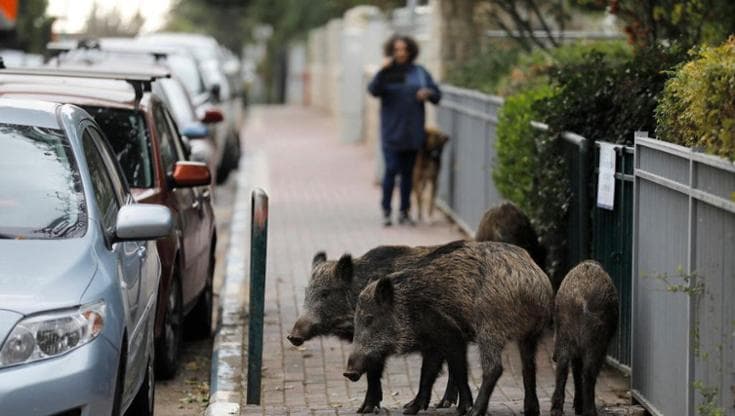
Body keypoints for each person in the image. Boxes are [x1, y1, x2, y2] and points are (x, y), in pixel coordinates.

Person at [368, 34, 441, 226]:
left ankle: (404, 211)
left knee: (409, 173)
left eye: (404, 49)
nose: (401, 53)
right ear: (391, 51)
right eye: (397, 50)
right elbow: (373, 90)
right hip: (391, 131)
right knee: (391, 170)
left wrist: (428, 93)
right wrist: (381, 71)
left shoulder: (419, 73)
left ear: (410, 51)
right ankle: (386, 209)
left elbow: (437, 95)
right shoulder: (387, 73)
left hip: (413, 131)